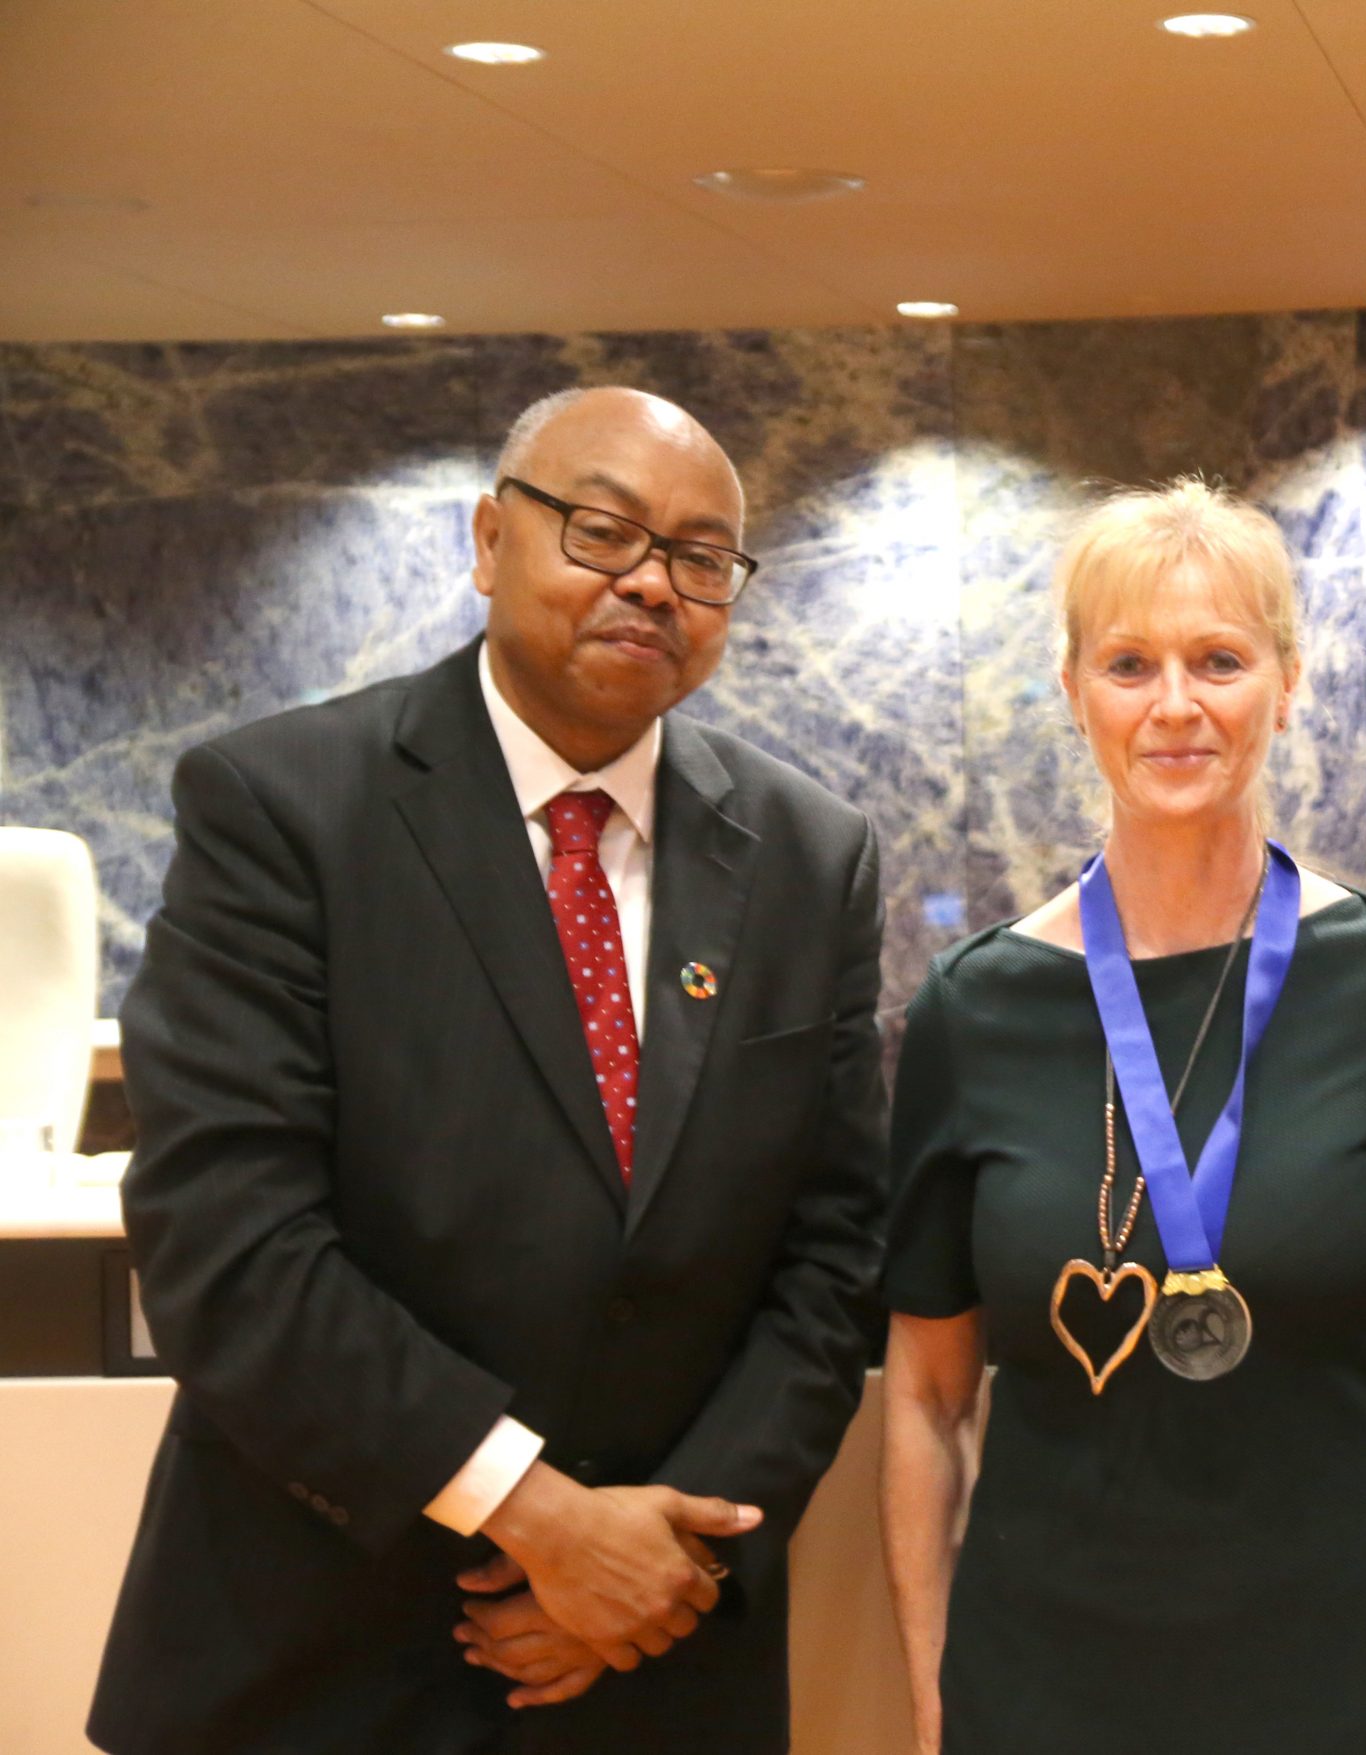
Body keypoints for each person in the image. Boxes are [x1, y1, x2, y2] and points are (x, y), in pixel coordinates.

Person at [89, 387, 889, 1754]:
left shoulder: (812, 856)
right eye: (602, 530)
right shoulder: (282, 807)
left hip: (654, 1659)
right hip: (322, 1655)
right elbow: (227, 1241)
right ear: (488, 539)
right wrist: (537, 1514)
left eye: (701, 557)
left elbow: (833, 1253)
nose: (652, 582)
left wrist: (672, 1554)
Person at [878, 478, 1366, 1755]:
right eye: (1129, 664)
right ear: (1074, 691)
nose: (1174, 704)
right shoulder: (974, 1007)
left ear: (1286, 683)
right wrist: (938, 1693)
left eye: (1218, 659)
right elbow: (927, 1400)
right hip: (1045, 1673)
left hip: (1349, 1667)